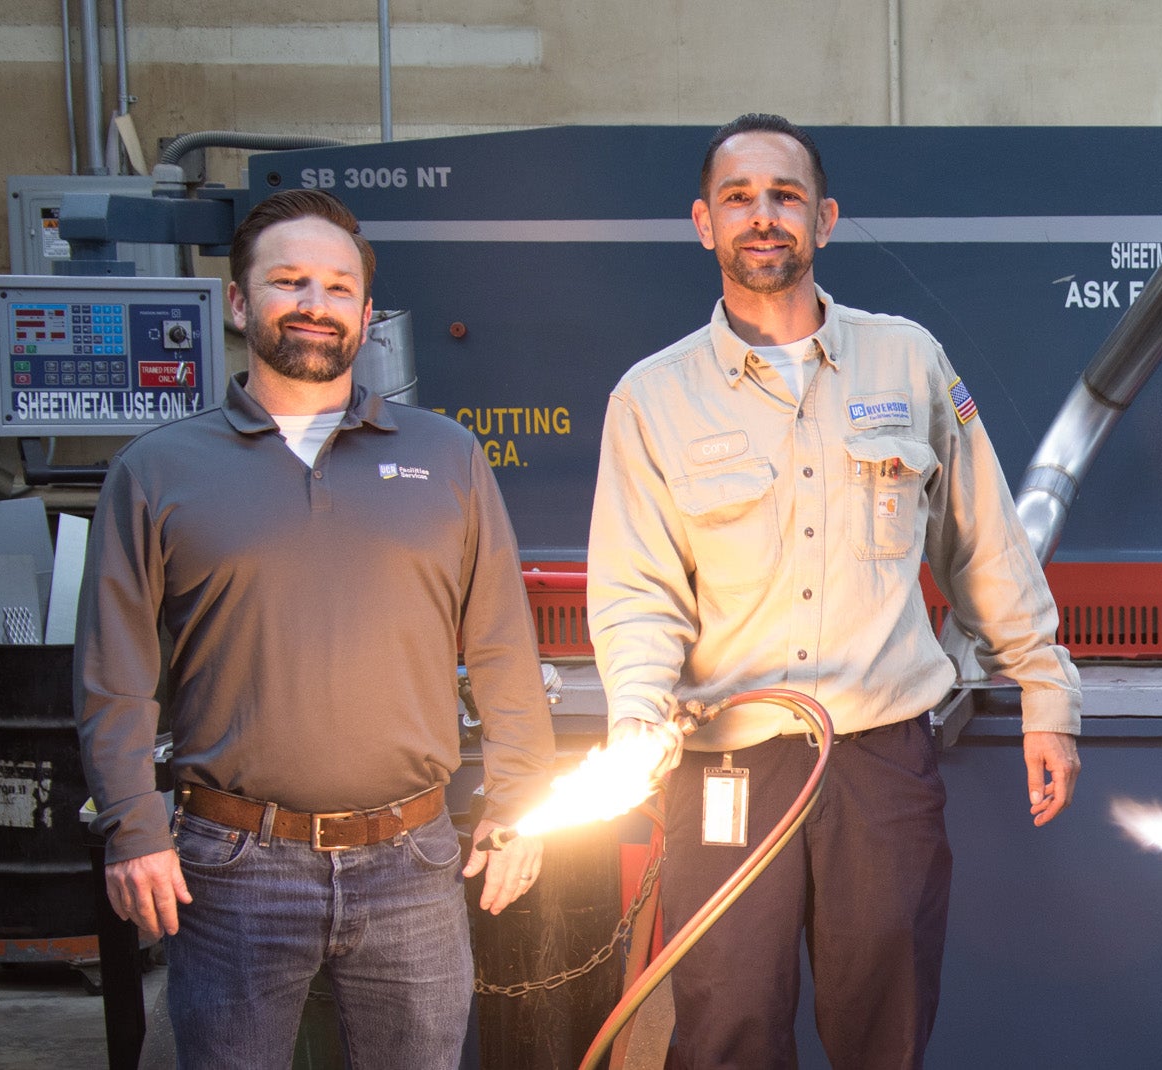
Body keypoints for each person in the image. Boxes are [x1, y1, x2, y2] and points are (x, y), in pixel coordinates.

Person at [588, 113, 1083, 1069]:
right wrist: (638, 716)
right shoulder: (652, 399)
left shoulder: (908, 359)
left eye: (785, 197)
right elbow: (638, 593)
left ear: (826, 218)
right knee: (727, 1023)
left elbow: (985, 547)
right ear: (703, 223)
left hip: (879, 763)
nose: (762, 217)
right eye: (738, 199)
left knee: (884, 1025)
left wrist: (1046, 696)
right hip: (727, 765)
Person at [76, 188, 556, 1068]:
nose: (315, 304)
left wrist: (521, 796)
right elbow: (115, 673)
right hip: (232, 869)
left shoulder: (447, 456)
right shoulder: (156, 471)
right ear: (238, 303)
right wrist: (133, 826)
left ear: (366, 314)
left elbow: (499, 643)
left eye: (338, 288)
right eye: (289, 281)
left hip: (414, 863)